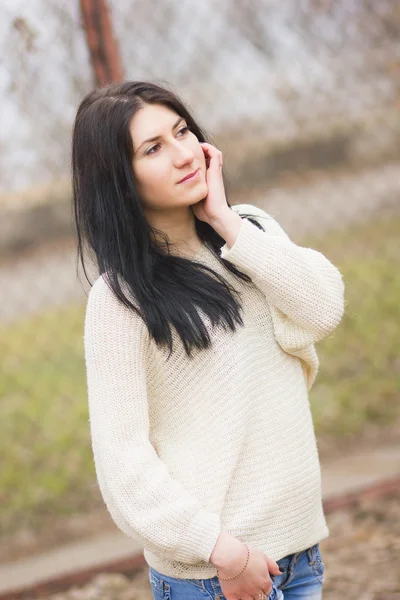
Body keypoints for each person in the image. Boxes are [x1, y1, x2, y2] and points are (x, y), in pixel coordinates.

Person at [71, 80, 345, 600]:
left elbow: (323, 308)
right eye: (153, 149)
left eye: (181, 131)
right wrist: (223, 551)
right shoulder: (121, 299)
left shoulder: (250, 231)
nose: (183, 155)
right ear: (119, 179)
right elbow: (123, 465)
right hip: (217, 575)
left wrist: (224, 221)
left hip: (300, 553)